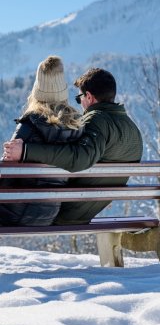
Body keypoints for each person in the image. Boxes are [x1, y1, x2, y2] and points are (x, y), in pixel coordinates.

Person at [3, 67, 143, 225]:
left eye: (79, 98)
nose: (80, 104)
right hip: (86, 211)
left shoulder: (96, 120)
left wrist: (26, 151)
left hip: (64, 211)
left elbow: (79, 157)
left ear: (88, 96)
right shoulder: (133, 129)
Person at [0, 55, 84, 226]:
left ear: (37, 89)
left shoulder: (30, 124)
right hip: (49, 213)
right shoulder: (76, 126)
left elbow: (6, 172)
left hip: (16, 211)